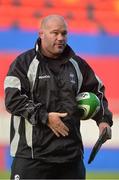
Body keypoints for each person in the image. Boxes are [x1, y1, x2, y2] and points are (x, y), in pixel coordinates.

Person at [4, 14, 113, 179]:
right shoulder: (23, 64)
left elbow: (98, 91)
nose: (61, 38)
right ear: (41, 34)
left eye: (64, 33)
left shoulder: (78, 65)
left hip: (71, 158)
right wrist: (45, 117)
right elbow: (13, 100)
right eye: (55, 33)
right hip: (32, 157)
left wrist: (104, 120)